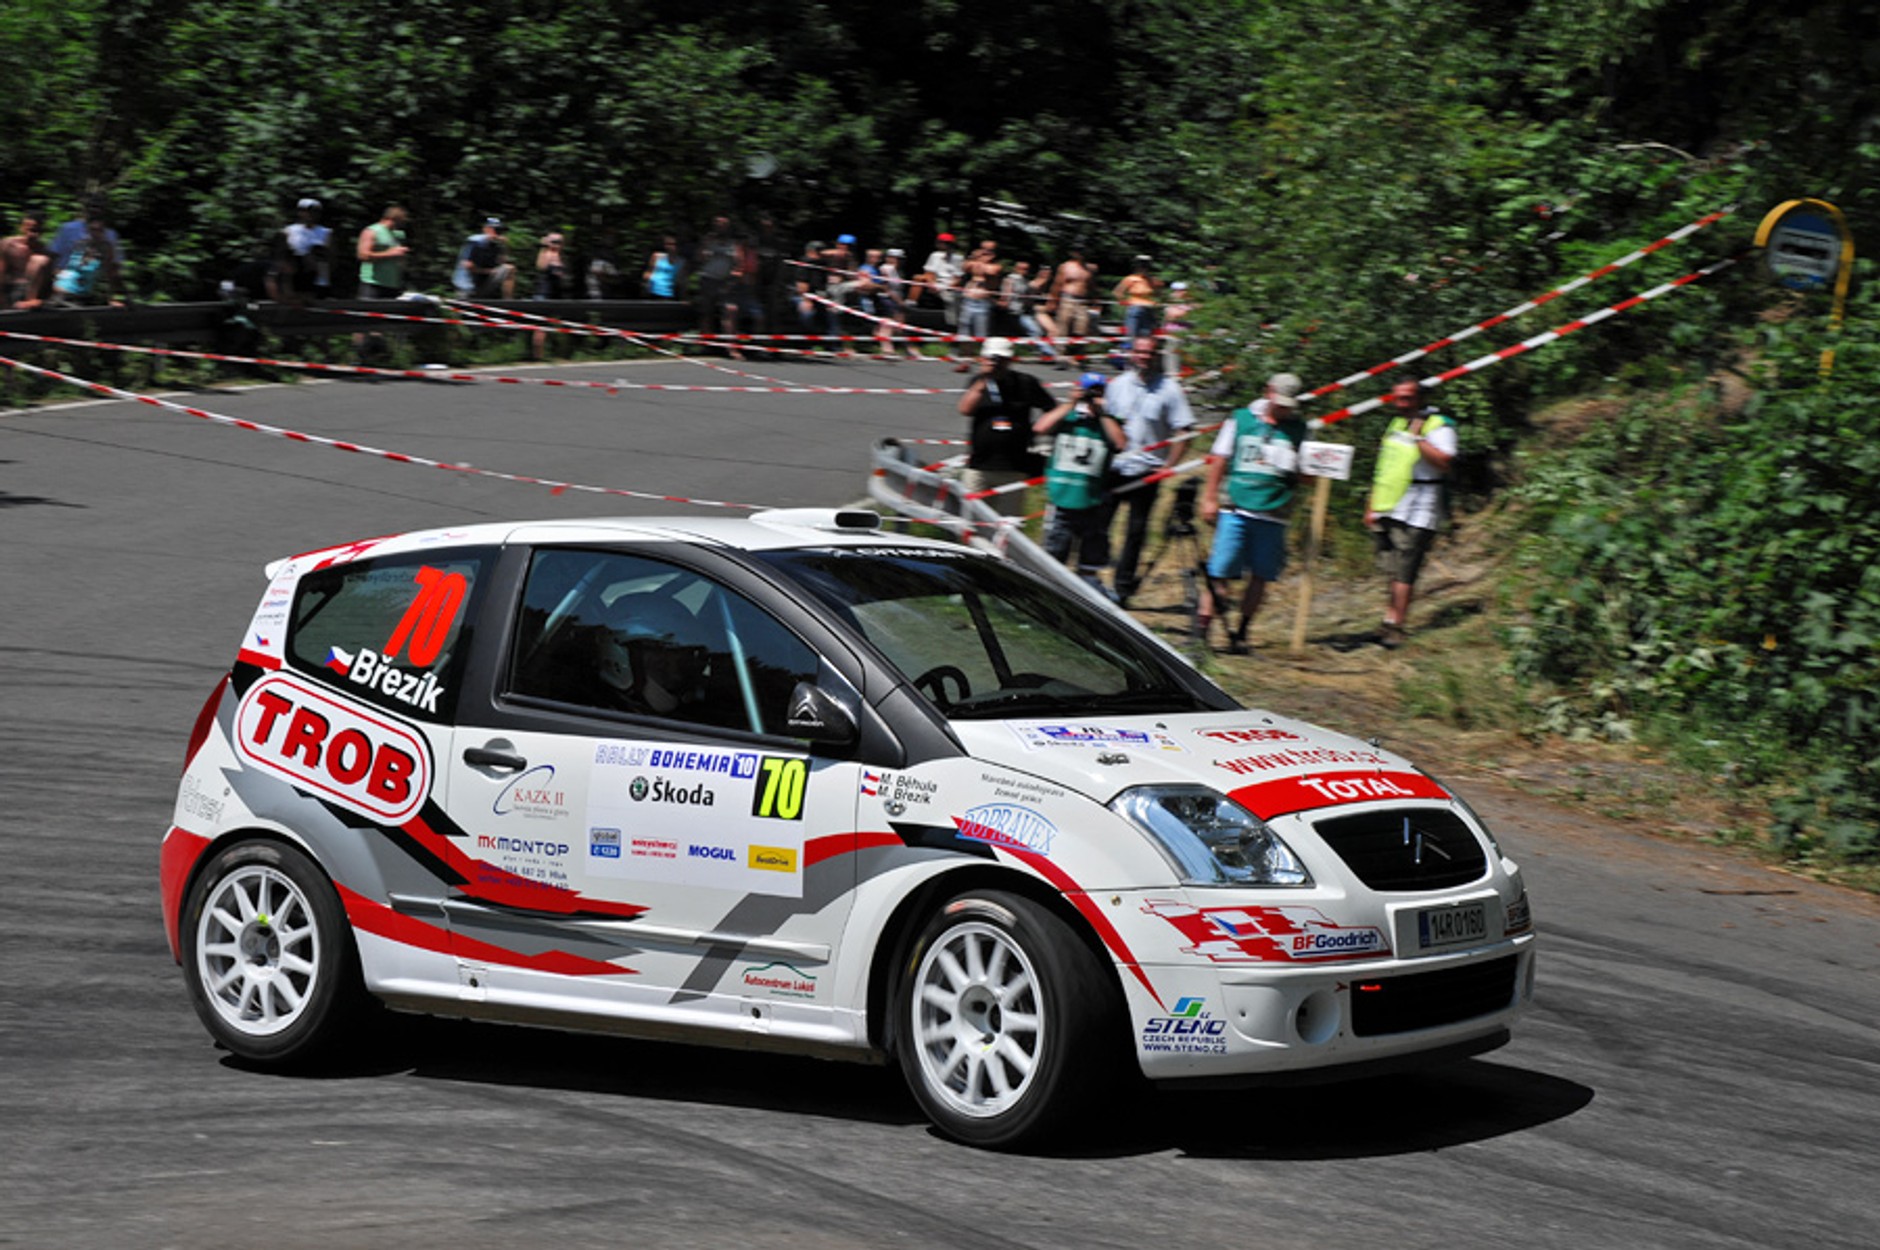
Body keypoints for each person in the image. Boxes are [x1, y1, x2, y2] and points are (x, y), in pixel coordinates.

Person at [1198, 373, 1307, 653]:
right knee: (1218, 571)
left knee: (1261, 575)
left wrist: (1294, 466)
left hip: (1274, 511)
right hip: (1236, 507)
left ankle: (1242, 632)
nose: (1284, 409)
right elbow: (1220, 459)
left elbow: (1309, 476)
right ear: (1268, 392)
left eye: (1288, 405)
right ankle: (1202, 631)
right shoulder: (1241, 419)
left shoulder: (1300, 429)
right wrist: (1210, 498)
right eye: (1279, 402)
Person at [1103, 334, 1195, 606]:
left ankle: (1122, 588)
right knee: (1098, 524)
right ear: (1132, 354)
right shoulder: (1117, 385)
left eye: (1149, 353)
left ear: (1157, 356)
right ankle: (1089, 578)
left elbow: (1185, 430)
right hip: (1115, 467)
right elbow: (1105, 419)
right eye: (1140, 352)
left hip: (1148, 470)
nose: (1144, 357)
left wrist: (1170, 466)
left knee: (1136, 530)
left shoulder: (1169, 389)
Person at [1364, 378, 1456, 647]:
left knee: (1405, 568)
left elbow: (1444, 462)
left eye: (1407, 398)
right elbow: (1385, 464)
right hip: (1389, 504)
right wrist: (1371, 504)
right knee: (1391, 568)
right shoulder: (1395, 424)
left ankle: (1396, 625)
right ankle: (1388, 620)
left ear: (1419, 398)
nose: (1401, 403)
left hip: (1419, 506)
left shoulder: (1438, 425)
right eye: (1397, 397)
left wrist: (1418, 438)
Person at [1034, 372, 1125, 591]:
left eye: (1097, 390)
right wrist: (1072, 402)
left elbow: (1120, 443)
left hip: (1091, 500)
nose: (1092, 395)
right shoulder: (1068, 417)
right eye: (1089, 390)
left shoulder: (1108, 421)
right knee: (1054, 555)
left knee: (1091, 556)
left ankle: (1088, 591)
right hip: (1061, 498)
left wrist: (1101, 411)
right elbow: (1040, 427)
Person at [956, 336, 1056, 519]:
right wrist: (984, 380)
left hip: (1014, 468)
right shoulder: (977, 382)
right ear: (983, 358)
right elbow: (965, 409)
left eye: (1001, 360)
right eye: (992, 359)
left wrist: (1039, 429)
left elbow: (1051, 408)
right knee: (970, 522)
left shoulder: (1026, 383)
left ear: (1010, 360)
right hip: (980, 467)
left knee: (1008, 525)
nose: (997, 364)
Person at [354, 204, 410, 361]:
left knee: (385, 322)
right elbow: (363, 255)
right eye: (401, 221)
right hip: (372, 281)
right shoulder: (372, 231)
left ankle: (380, 355)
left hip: (392, 283)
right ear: (392, 219)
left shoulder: (399, 234)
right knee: (365, 320)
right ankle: (359, 354)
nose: (401, 225)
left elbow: (399, 256)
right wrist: (390, 253)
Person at [49, 215, 125, 307]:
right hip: (61, 291)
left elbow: (112, 274)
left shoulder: (105, 250)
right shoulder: (79, 246)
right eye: (92, 230)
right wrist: (58, 276)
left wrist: (113, 298)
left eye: (99, 230)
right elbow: (60, 265)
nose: (95, 234)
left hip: (83, 296)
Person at [1001, 258, 1060, 366]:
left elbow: (1030, 294)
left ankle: (1047, 353)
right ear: (1016, 268)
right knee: (1034, 331)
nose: (1024, 271)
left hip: (1026, 310)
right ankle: (1051, 354)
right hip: (1015, 311)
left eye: (1026, 269)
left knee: (1040, 331)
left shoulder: (1025, 280)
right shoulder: (1013, 278)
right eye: (1022, 269)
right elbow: (1011, 293)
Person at [1046, 244, 1096, 353]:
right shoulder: (1066, 266)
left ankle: (1076, 354)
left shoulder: (1090, 269)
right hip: (1067, 299)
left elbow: (1092, 286)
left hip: (1082, 301)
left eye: (1082, 251)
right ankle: (1060, 353)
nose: (1080, 254)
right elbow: (1057, 284)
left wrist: (1095, 299)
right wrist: (1053, 301)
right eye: (1078, 251)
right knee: (1063, 327)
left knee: (1082, 328)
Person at [1, 212, 53, 311]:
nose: (33, 234)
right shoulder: (8, 245)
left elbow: (49, 279)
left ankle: (31, 300)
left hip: (33, 291)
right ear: (22, 228)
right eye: (30, 230)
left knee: (39, 260)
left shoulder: (44, 251)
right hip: (11, 287)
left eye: (37, 230)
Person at [694, 215, 737, 333]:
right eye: (718, 225)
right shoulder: (708, 241)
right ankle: (706, 344)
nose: (720, 228)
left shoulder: (733, 244)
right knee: (706, 312)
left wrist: (731, 279)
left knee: (729, 311)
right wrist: (705, 245)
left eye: (724, 225)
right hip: (708, 279)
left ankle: (731, 347)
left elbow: (738, 263)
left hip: (725, 281)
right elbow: (699, 258)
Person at [283, 198, 331, 301]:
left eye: (314, 211)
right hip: (294, 278)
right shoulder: (290, 231)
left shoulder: (325, 232)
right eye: (305, 211)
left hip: (317, 278)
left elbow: (330, 257)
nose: (309, 214)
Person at [455, 217, 514, 299]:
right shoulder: (475, 241)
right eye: (495, 230)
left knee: (509, 269)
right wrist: (489, 271)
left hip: (484, 282)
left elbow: (502, 263)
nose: (497, 234)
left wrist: (505, 246)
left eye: (499, 231)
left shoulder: (495, 245)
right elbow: (468, 266)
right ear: (486, 229)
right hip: (467, 285)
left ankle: (508, 301)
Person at [920, 232, 965, 328]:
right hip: (936, 283)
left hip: (949, 286)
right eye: (941, 243)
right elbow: (928, 273)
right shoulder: (934, 256)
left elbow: (958, 278)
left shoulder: (958, 258)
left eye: (947, 243)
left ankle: (953, 324)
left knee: (952, 298)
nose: (944, 245)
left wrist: (947, 287)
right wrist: (932, 284)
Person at [1113, 255, 1161, 342]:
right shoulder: (1131, 279)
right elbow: (1118, 292)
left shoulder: (1152, 280)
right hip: (1135, 308)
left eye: (1146, 266)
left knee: (1146, 335)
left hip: (1149, 309)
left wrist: (1156, 301)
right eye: (1141, 265)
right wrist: (1125, 302)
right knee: (1132, 335)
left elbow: (1159, 294)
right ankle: (1128, 351)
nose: (1144, 268)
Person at [644, 234, 681, 298]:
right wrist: (647, 281)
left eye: (673, 244)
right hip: (654, 290)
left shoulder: (681, 261)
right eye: (667, 244)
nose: (670, 247)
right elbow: (649, 271)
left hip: (670, 292)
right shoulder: (657, 256)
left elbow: (681, 279)